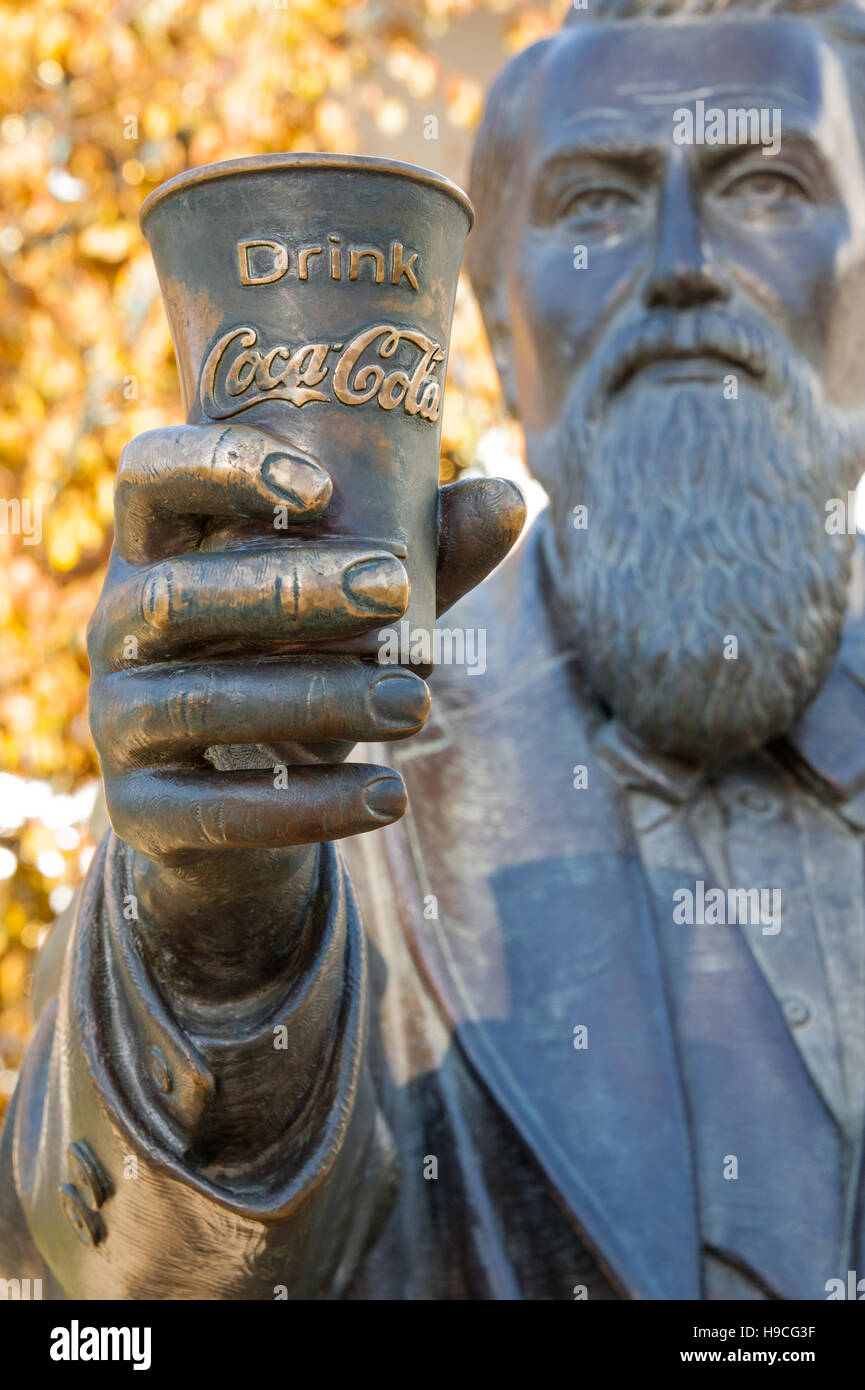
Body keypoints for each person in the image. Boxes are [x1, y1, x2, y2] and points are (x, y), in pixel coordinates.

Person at [5, 0, 865, 1299]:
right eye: (593, 204)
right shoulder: (308, 768)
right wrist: (209, 934)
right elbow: (96, 1276)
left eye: (763, 183)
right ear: (494, 324)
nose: (679, 263)